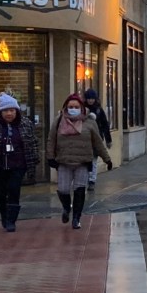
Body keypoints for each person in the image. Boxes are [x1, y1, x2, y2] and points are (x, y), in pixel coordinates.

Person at [48, 93, 113, 230]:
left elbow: (97, 143)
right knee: (63, 190)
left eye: (76, 107)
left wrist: (107, 159)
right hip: (64, 161)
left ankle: (76, 218)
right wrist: (50, 157)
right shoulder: (59, 120)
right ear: (66, 107)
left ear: (81, 108)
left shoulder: (89, 122)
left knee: (79, 190)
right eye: (70, 106)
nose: (73, 109)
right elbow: (51, 139)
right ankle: (66, 208)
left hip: (83, 162)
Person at [0, 93, 40, 232]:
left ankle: (11, 221)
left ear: (17, 111)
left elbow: (33, 141)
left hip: (18, 164)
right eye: (6, 110)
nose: (9, 113)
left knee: (13, 190)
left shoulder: (25, 123)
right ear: (1, 111)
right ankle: (5, 215)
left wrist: (34, 158)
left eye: (12, 110)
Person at [83, 88, 112, 189]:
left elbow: (105, 125)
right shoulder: (82, 110)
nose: (90, 100)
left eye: (92, 98)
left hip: (96, 138)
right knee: (85, 160)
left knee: (94, 160)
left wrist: (108, 139)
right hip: (85, 138)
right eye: (88, 98)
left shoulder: (99, 110)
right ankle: (86, 179)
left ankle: (92, 180)